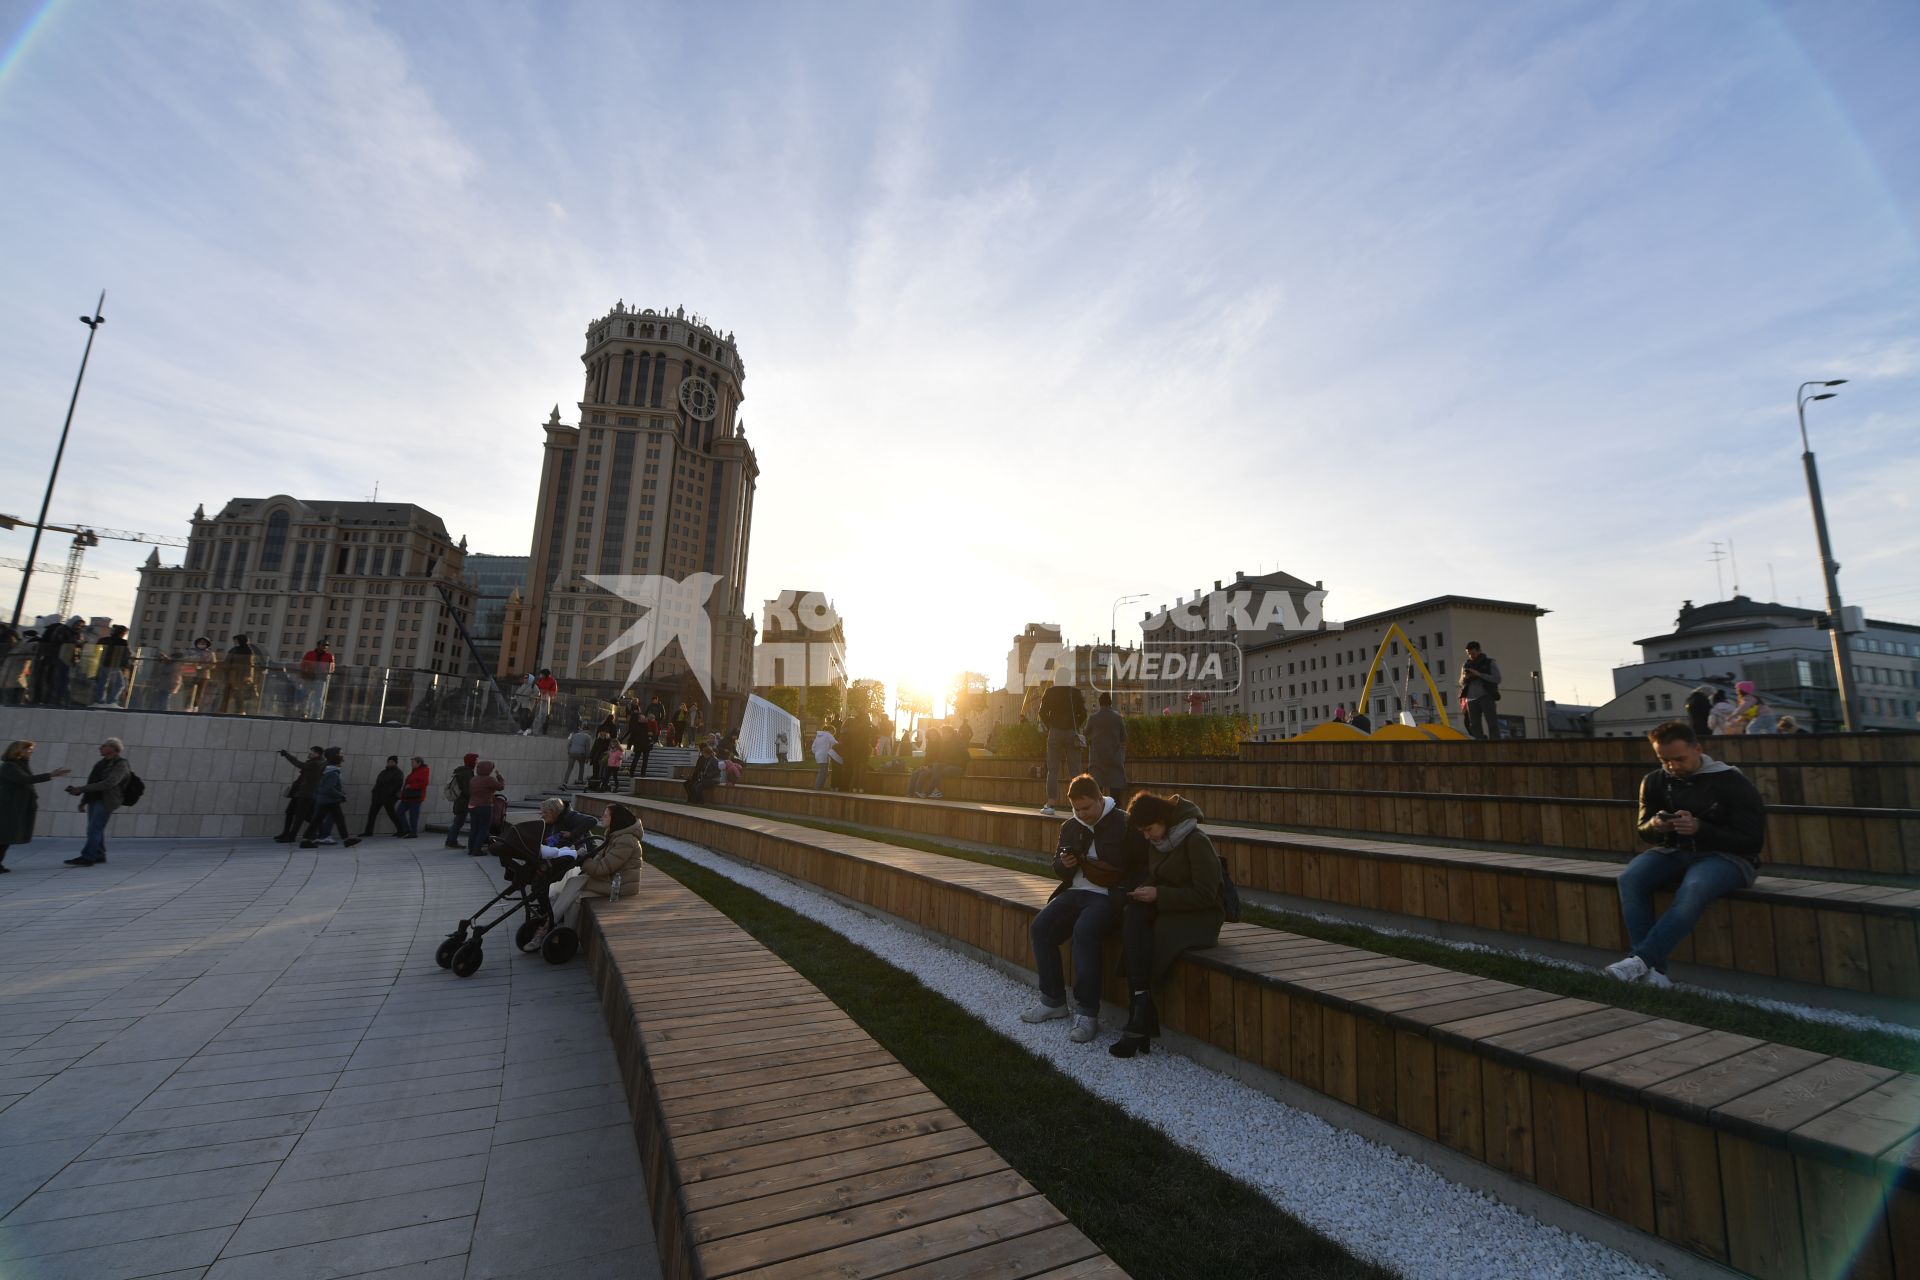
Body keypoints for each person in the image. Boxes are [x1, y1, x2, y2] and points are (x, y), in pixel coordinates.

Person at [1604, 721, 1766, 989]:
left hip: (1729, 858)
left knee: (1694, 888)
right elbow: (1643, 831)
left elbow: (1752, 840)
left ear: (1698, 749)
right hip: (1674, 851)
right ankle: (1652, 972)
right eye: (1664, 759)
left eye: (1679, 758)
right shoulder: (1654, 781)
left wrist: (1700, 828)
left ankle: (1639, 960)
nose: (1672, 766)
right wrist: (1656, 826)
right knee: (1630, 878)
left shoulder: (1731, 781)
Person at [1021, 775, 1148, 1044]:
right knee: (1041, 927)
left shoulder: (1125, 823)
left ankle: (1087, 1013)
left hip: (1108, 896)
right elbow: (1057, 867)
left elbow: (1141, 866)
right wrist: (1064, 865)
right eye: (1077, 809)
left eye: (1087, 808)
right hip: (1076, 892)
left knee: (1085, 931)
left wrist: (1127, 893)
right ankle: (1053, 1000)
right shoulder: (1070, 825)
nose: (1082, 814)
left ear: (1100, 799)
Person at [1109, 790, 1226, 1058]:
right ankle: (1140, 1010)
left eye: (1149, 829)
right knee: (1133, 914)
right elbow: (1158, 876)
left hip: (1202, 915)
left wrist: (1159, 894)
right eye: (1143, 832)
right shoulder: (1160, 842)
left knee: (1153, 934)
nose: (1148, 837)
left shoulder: (1196, 841)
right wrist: (1146, 890)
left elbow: (1206, 895)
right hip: (1172, 906)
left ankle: (1138, 1019)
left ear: (1163, 819)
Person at [0, 741, 71, 872]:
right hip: (8, 807)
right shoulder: (9, 766)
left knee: (6, 837)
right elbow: (24, 780)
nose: (31, 752)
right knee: (4, 836)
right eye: (29, 749)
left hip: (15, 806)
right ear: (19, 750)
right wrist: (51, 775)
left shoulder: (20, 765)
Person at [63, 737, 132, 866]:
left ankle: (88, 857)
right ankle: (99, 854)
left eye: (103, 746)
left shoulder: (121, 764)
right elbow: (92, 782)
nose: (100, 748)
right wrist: (83, 800)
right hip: (94, 798)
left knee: (94, 828)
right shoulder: (100, 764)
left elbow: (110, 783)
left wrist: (81, 789)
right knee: (94, 829)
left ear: (113, 748)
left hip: (106, 800)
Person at [1038, 681, 1088, 816]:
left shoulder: (1050, 691)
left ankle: (1050, 804)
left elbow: (1041, 712)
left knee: (1052, 770)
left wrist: (1051, 725)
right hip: (1072, 732)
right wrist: (1074, 725)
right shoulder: (1075, 692)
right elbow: (1083, 714)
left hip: (1055, 732)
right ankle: (1079, 807)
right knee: (1075, 770)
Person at [300, 749, 360, 848]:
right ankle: (346, 840)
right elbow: (329, 789)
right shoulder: (333, 773)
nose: (342, 762)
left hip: (324, 800)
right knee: (339, 819)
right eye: (341, 760)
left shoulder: (328, 770)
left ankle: (305, 840)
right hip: (330, 800)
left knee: (317, 820)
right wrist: (340, 795)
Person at [275, 745, 326, 843]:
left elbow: (298, 764)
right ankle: (287, 833)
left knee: (300, 816)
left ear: (316, 753)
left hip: (306, 794)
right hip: (300, 792)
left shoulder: (316, 763)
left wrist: (287, 755)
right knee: (291, 812)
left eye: (311, 752)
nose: (309, 754)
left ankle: (292, 836)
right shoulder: (314, 762)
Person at [1086, 692, 1128, 802]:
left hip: (1097, 760)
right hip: (1114, 759)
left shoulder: (1093, 718)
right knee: (1115, 794)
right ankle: (1115, 815)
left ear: (1099, 704)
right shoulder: (1118, 718)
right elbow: (1124, 737)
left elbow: (1085, 733)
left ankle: (1097, 816)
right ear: (1110, 703)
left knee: (1096, 791)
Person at [1459, 641, 1502, 741]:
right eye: (1468, 653)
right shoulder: (1466, 664)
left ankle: (1495, 742)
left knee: (1492, 722)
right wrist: (1465, 677)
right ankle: (1479, 743)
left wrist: (1479, 674)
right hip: (1471, 699)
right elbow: (1460, 682)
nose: (1471, 656)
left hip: (1486, 696)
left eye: (1473, 653)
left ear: (1479, 651)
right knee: (1474, 725)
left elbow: (1497, 679)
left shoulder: (1489, 662)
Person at [465, 759, 506, 856]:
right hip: (484, 806)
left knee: (474, 828)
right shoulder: (488, 779)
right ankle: (477, 850)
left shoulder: (473, 779)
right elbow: (501, 787)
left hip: (472, 805)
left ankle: (471, 848)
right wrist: (499, 776)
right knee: (483, 828)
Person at [362, 756, 406, 838]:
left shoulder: (398, 773)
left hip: (389, 798)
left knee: (392, 814)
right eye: (389, 762)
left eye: (392, 762)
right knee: (372, 814)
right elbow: (378, 783)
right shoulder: (383, 772)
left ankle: (401, 830)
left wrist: (388, 794)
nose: (390, 763)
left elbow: (397, 785)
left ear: (395, 763)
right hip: (378, 797)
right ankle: (368, 832)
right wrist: (374, 792)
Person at [215, 634, 259, 715]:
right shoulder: (234, 650)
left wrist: (248, 675)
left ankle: (240, 710)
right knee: (227, 692)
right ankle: (223, 709)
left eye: (236, 640)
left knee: (238, 694)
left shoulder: (247, 651)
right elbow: (227, 661)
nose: (235, 642)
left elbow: (249, 664)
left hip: (240, 675)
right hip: (231, 674)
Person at [92, 625, 131, 707]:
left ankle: (99, 702)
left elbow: (96, 650)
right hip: (114, 666)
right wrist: (125, 666)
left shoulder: (103, 640)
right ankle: (111, 702)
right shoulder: (122, 642)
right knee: (120, 684)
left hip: (102, 664)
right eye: (125, 633)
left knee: (102, 683)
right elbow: (126, 654)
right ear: (122, 633)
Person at [444, 752, 478, 847]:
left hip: (459, 801)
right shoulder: (467, 773)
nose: (477, 763)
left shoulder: (461, 771)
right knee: (458, 822)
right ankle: (452, 841)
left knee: (457, 822)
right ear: (471, 761)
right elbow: (467, 790)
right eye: (475, 760)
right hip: (463, 802)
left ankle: (450, 840)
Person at [299, 640, 335, 719]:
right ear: (318, 645)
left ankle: (315, 714)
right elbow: (303, 665)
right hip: (309, 678)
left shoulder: (329, 656)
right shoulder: (310, 654)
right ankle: (304, 712)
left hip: (320, 679)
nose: (325, 647)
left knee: (318, 698)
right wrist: (306, 672)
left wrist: (326, 673)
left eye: (326, 646)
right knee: (306, 695)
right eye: (323, 645)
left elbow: (331, 668)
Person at [181, 636, 216, 712]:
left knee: (199, 692)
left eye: (204, 643)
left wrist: (203, 666)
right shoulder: (191, 651)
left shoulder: (210, 653)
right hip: (191, 674)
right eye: (200, 642)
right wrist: (193, 660)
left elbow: (213, 664)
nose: (202, 644)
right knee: (189, 691)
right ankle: (187, 706)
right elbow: (184, 659)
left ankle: (195, 707)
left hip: (203, 675)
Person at [397, 757, 429, 838]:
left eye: (413, 762)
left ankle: (413, 832)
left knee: (413, 815)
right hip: (407, 796)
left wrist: (411, 786)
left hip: (415, 797)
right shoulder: (414, 771)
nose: (411, 764)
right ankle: (407, 830)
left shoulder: (423, 771)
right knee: (399, 812)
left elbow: (424, 783)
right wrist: (403, 792)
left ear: (419, 763)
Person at [812, 723, 840, 791]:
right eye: (833, 733)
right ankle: (817, 787)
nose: (833, 735)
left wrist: (816, 753)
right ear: (831, 731)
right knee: (822, 772)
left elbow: (813, 747)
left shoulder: (818, 736)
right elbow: (834, 743)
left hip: (818, 755)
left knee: (823, 771)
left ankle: (820, 787)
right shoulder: (828, 735)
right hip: (824, 755)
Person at [531, 669, 558, 735]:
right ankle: (534, 730)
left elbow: (553, 691)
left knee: (543, 715)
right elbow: (537, 687)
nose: (540, 675)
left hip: (546, 700)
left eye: (542, 674)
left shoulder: (552, 681)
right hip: (540, 699)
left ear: (545, 675)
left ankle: (540, 731)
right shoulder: (540, 680)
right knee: (537, 715)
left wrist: (545, 692)